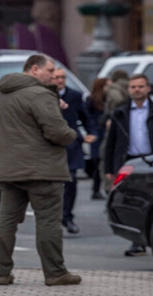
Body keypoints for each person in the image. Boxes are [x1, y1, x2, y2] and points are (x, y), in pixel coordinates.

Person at [0, 54, 82, 287]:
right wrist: (73, 135)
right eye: (50, 70)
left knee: (6, 219)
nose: (54, 76)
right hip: (41, 169)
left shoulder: (3, 94)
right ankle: (55, 273)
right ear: (34, 69)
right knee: (48, 221)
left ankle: (1, 272)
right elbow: (57, 131)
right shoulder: (40, 94)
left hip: (9, 169)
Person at [104, 73, 153, 256]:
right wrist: (109, 168)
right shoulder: (121, 112)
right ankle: (136, 242)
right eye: (133, 87)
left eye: (140, 86)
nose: (137, 90)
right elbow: (111, 142)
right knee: (134, 201)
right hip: (130, 162)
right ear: (129, 89)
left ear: (148, 88)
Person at [52, 68, 96, 234]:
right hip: (51, 147)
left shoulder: (75, 96)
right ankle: (55, 219)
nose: (59, 80)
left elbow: (85, 116)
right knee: (53, 185)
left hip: (71, 145)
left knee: (71, 181)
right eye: (56, 77)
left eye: (62, 77)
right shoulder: (42, 96)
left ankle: (67, 216)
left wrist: (91, 132)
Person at [100, 69, 129, 194]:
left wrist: (113, 113)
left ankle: (108, 187)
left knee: (106, 153)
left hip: (115, 122)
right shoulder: (131, 86)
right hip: (128, 124)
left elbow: (117, 100)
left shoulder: (113, 88)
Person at [85, 78, 109, 200]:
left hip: (104, 133)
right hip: (97, 134)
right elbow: (87, 117)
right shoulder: (92, 100)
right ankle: (95, 189)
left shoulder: (107, 100)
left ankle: (100, 189)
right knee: (97, 163)